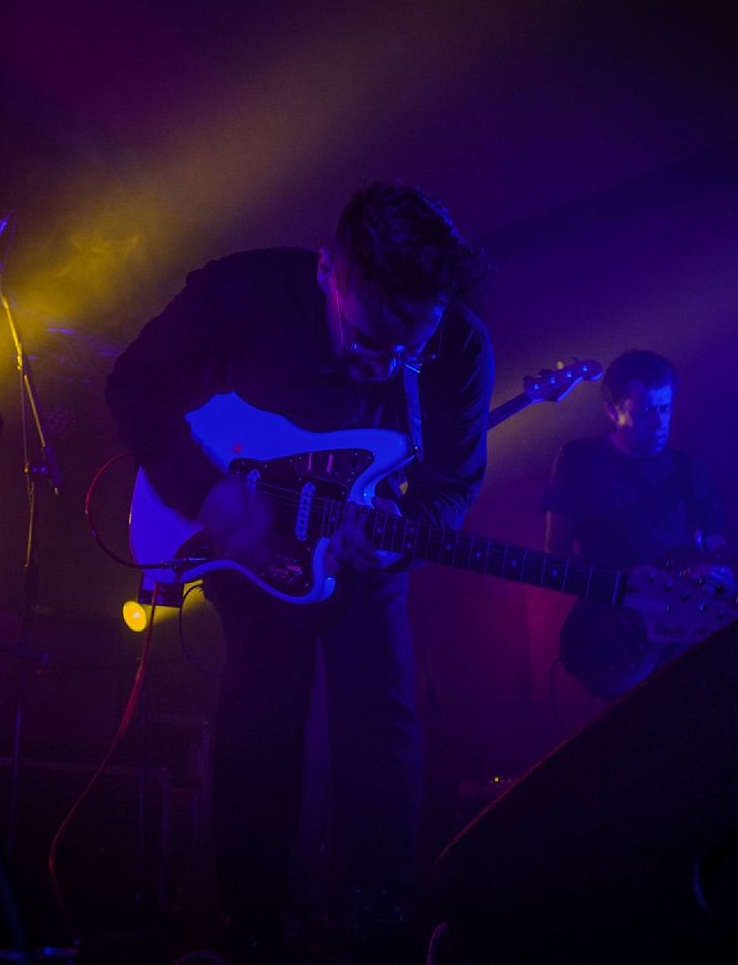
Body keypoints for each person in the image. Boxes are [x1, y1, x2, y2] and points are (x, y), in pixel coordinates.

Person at [104, 183, 493, 964]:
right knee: (263, 703)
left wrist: (399, 541)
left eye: (410, 346)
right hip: (246, 529)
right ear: (327, 273)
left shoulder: (459, 347)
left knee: (382, 711)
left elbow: (453, 484)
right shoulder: (241, 297)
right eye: (370, 339)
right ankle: (249, 921)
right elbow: (134, 387)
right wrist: (210, 493)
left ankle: (374, 917)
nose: (388, 366)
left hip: (365, 538)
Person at [540, 349, 732, 702]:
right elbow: (557, 555)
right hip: (620, 636)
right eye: (645, 411)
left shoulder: (692, 472)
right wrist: (621, 593)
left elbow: (719, 553)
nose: (659, 423)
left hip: (687, 630)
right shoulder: (578, 461)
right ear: (613, 412)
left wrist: (720, 577)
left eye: (665, 409)